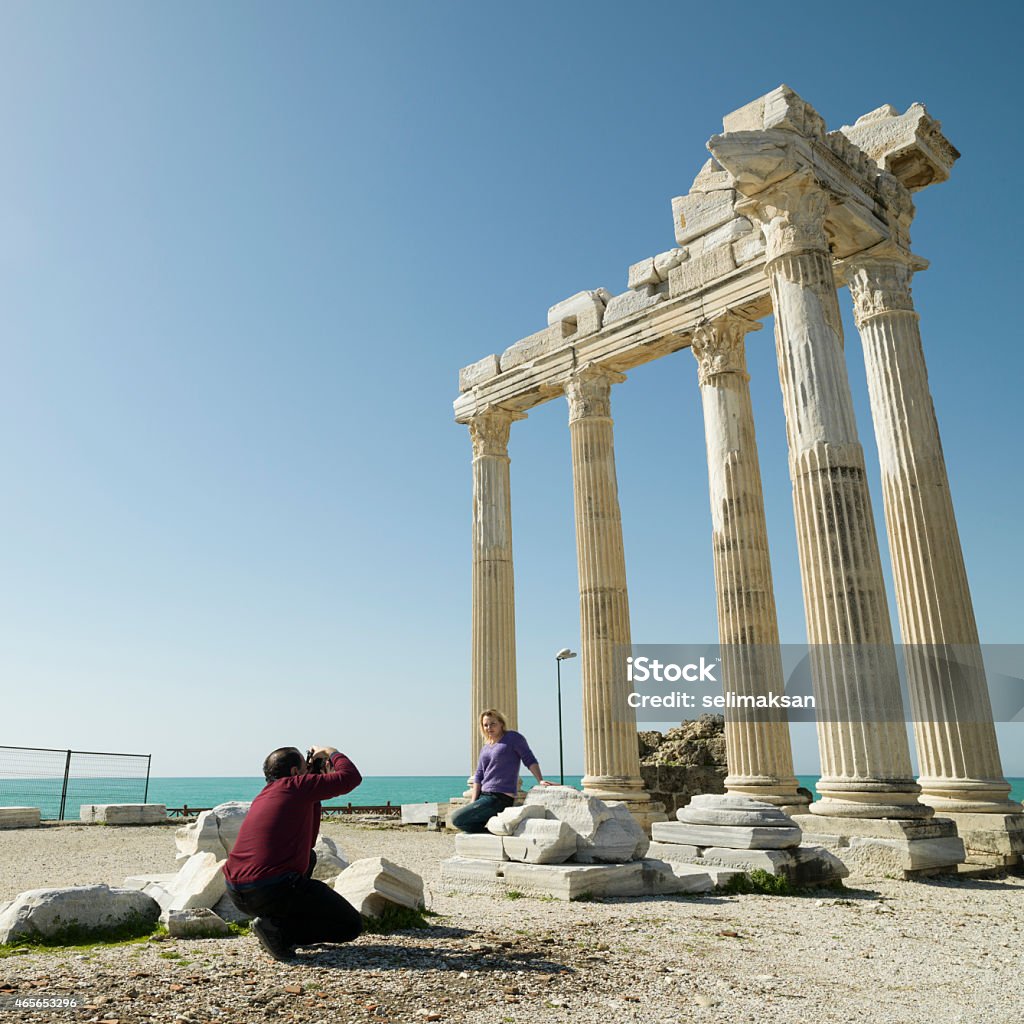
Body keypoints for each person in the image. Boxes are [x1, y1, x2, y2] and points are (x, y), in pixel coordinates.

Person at [224, 744, 362, 961]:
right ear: (295, 773)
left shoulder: (268, 793)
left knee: (310, 857)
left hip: (238, 892)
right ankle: (278, 931)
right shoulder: (296, 786)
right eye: (305, 768)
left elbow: (309, 840)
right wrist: (330, 752)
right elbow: (351, 777)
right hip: (269, 889)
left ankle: (274, 926)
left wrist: (315, 779)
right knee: (350, 926)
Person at [450, 709, 553, 833]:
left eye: (493, 723)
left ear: (501, 723)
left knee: (457, 818)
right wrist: (473, 802)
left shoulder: (513, 738)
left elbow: (529, 759)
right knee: (462, 822)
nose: (489, 727)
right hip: (484, 796)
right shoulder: (485, 747)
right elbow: (479, 775)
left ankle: (494, 831)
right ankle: (495, 831)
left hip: (500, 798)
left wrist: (540, 780)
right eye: (485, 725)